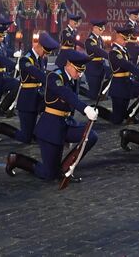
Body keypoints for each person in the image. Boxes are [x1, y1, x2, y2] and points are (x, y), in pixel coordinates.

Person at [29, 49, 99, 182]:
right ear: (68, 64)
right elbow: (67, 95)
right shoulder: (55, 77)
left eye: (82, 71)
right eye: (78, 70)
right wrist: (85, 109)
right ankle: (18, 160)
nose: (80, 74)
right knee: (50, 175)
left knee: (91, 136)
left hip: (66, 124)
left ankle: (66, 168)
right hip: (51, 128)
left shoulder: (73, 78)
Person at [0, 31, 59, 165]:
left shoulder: (42, 58)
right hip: (27, 100)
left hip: (38, 97)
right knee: (26, 138)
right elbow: (40, 75)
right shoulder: (26, 60)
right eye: (45, 52)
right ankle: (0, 128)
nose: (46, 55)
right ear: (39, 47)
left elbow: (45, 73)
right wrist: (55, 80)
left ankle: (42, 133)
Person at [107, 25, 139, 124]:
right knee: (117, 121)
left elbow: (131, 65)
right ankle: (106, 114)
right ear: (117, 36)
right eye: (124, 38)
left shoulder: (124, 50)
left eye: (127, 38)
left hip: (128, 83)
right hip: (119, 87)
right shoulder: (114, 53)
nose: (126, 40)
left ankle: (130, 114)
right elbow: (127, 65)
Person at [84, 19, 110, 101]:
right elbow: (98, 51)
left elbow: (104, 50)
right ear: (94, 28)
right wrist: (110, 56)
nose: (102, 30)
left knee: (112, 73)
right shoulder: (90, 40)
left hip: (101, 65)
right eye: (100, 28)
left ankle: (102, 93)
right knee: (93, 95)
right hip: (93, 67)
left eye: (103, 28)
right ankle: (79, 90)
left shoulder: (100, 39)